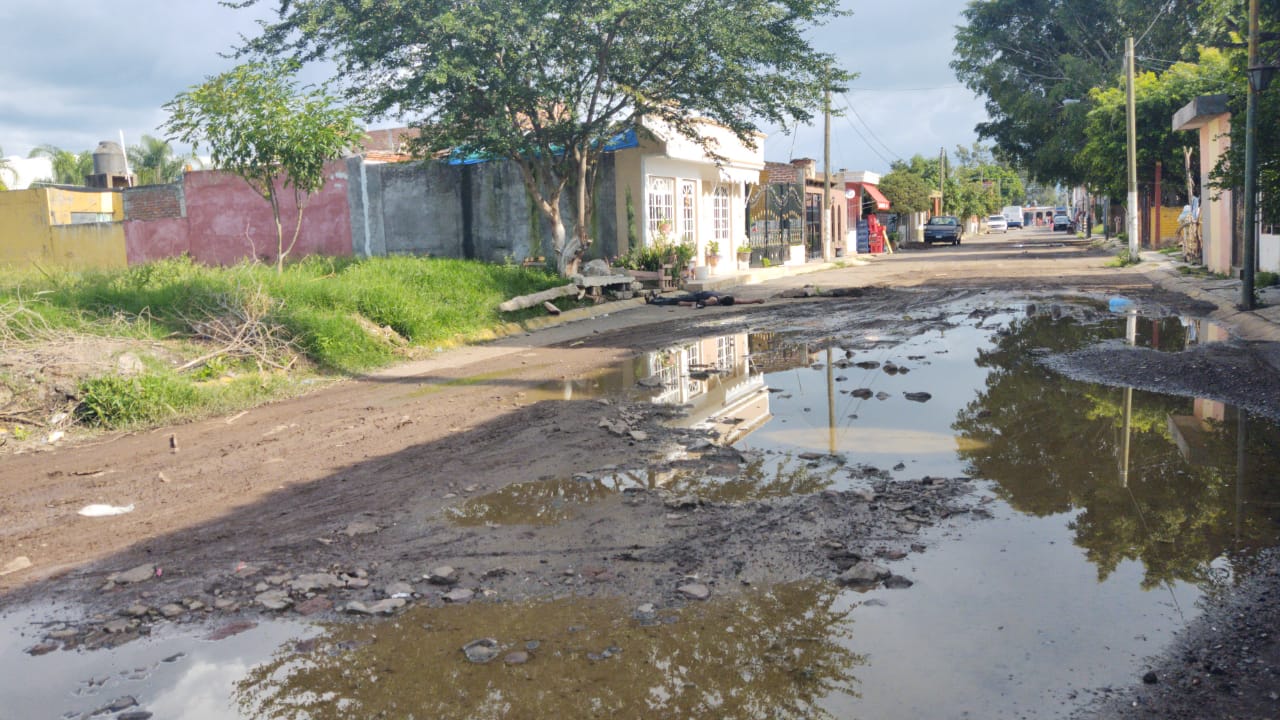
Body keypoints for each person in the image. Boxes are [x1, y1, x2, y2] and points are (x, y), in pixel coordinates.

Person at [646, 290, 764, 308]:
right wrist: (757, 300)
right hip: (697, 294)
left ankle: (653, 300)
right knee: (675, 298)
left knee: (674, 300)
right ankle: (657, 298)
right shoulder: (730, 300)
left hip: (695, 297)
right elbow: (743, 301)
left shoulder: (714, 300)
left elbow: (701, 303)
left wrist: (687, 304)